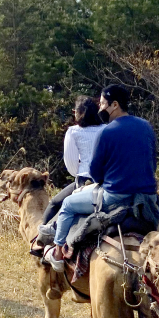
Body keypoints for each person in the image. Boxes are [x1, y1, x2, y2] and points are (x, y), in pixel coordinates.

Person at [44, 84, 159, 271]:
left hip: (115, 196)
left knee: (67, 205)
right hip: (147, 197)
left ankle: (57, 253)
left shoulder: (107, 132)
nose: (100, 108)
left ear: (114, 105)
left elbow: (96, 173)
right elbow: (153, 163)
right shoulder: (146, 126)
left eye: (102, 104)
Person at [39, 96, 105, 227]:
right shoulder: (107, 128)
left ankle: (41, 239)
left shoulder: (73, 132)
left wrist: (78, 174)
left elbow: (71, 163)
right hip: (108, 181)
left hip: (85, 180)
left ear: (79, 112)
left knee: (54, 204)